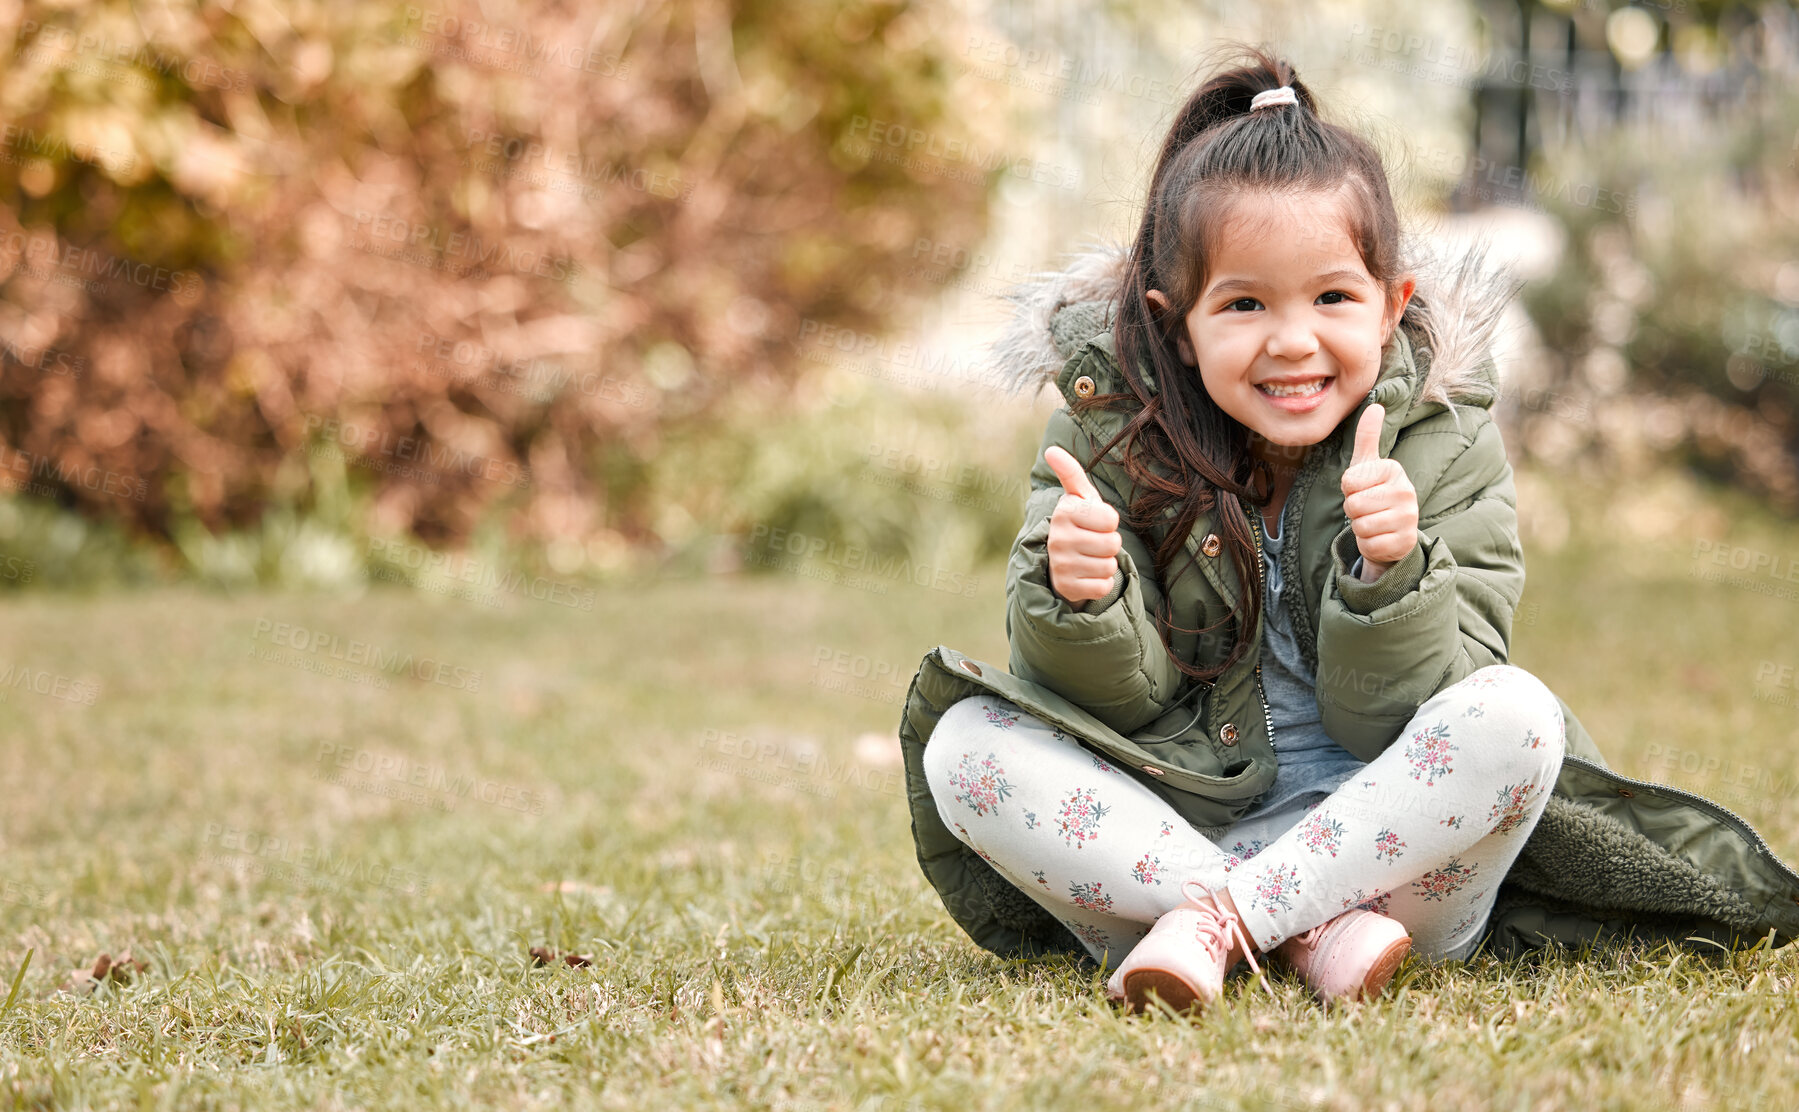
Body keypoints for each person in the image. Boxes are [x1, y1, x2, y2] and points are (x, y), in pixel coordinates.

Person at [918, 46, 1572, 1013]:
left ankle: (1223, 925)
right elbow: (1113, 711)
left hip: (1396, 872)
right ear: (1177, 324)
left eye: (1333, 298)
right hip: (1172, 836)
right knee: (962, 746)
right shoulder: (1104, 432)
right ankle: (1301, 932)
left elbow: (1425, 709)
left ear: (1392, 304)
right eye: (1244, 304)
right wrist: (1084, 598)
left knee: (1517, 716)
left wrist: (1388, 575)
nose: (1293, 340)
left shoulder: (1447, 439)